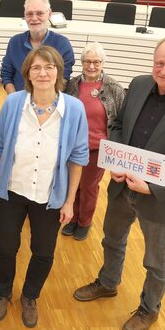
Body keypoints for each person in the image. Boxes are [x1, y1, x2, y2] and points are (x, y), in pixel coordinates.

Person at [73, 34, 165, 330]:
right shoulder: (138, 85)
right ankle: (108, 282)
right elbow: (117, 126)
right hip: (121, 187)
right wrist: (114, 159)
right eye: (159, 63)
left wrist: (153, 186)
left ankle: (149, 308)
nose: (164, 70)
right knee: (112, 240)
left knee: (156, 262)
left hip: (159, 199)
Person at [0, 46, 88, 328]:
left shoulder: (74, 109)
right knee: (5, 247)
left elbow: (78, 158)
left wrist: (69, 201)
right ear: (27, 73)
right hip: (10, 191)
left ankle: (30, 296)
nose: (43, 73)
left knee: (43, 251)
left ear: (58, 72)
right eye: (36, 68)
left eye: (49, 67)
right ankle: (3, 293)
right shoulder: (15, 102)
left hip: (49, 197)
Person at [62, 42, 126, 240]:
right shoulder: (72, 85)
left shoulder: (114, 88)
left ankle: (84, 222)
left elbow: (121, 120)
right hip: (73, 146)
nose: (91, 66)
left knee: (89, 186)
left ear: (103, 63)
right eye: (87, 61)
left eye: (96, 62)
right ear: (81, 62)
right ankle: (71, 218)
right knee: (73, 184)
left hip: (98, 148)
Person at [0, 0, 74, 94]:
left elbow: (63, 81)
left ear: (49, 14)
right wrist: (15, 100)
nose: (34, 18)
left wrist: (42, 103)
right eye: (29, 14)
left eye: (40, 13)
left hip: (50, 104)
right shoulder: (15, 42)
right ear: (24, 15)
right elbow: (6, 75)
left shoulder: (63, 45)